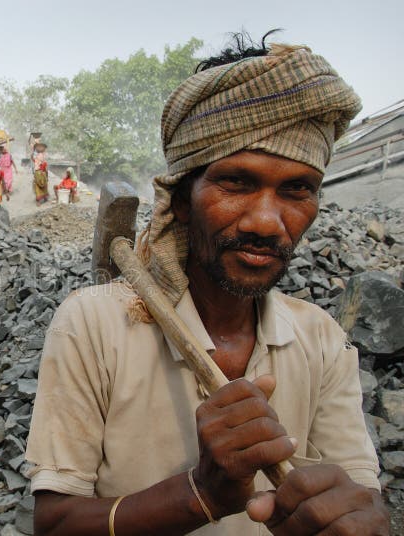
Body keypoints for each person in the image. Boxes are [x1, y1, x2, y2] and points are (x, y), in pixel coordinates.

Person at [26, 34, 389, 536]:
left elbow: (361, 495)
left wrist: (358, 518)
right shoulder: (93, 323)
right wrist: (202, 494)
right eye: (236, 182)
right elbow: (54, 523)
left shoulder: (321, 338)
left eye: (297, 189)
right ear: (180, 201)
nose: (266, 222)